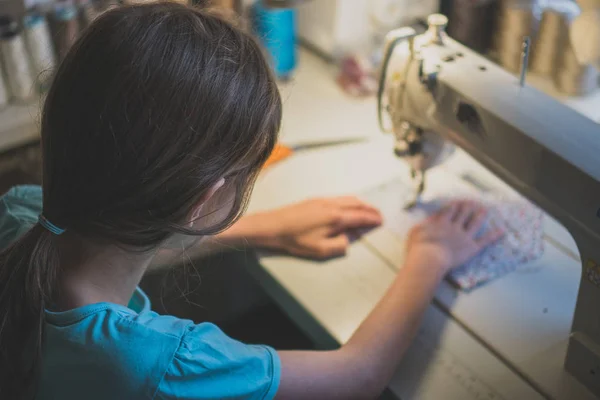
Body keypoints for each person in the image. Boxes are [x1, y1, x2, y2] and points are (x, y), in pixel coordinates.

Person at [0, 3, 503, 399]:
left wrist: (266, 227)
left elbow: (115, 232)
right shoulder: (158, 362)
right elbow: (359, 374)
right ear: (205, 199)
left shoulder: (21, 213)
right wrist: (430, 255)